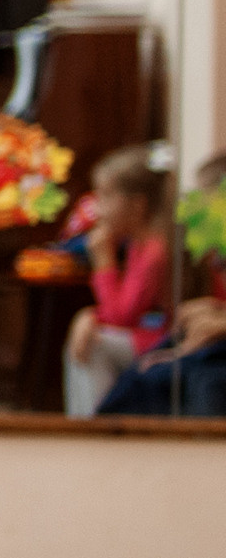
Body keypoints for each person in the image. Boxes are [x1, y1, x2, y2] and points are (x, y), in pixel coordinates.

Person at [65, 144, 175, 416]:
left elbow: (121, 316)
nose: (97, 209)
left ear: (137, 205)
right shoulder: (138, 246)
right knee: (85, 336)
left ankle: (100, 424)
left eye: (105, 197)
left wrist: (104, 263)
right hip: (143, 337)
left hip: (160, 343)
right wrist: (90, 315)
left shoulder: (154, 251)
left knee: (92, 345)